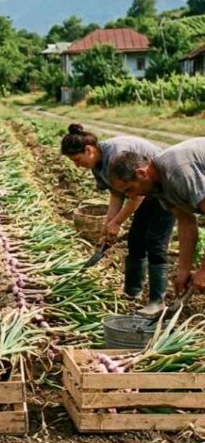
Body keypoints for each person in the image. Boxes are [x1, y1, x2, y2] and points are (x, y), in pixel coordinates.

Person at [60, 125, 174, 315]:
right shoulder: (98, 164)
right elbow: (117, 194)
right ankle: (132, 293)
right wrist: (108, 227)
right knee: (136, 239)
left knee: (155, 242)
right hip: (143, 192)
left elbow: (135, 195)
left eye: (77, 160)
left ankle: (157, 301)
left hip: (165, 188)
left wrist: (117, 223)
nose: (76, 165)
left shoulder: (116, 156)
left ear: (88, 150)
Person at [108, 138, 205, 295]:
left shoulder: (177, 172)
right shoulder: (159, 186)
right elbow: (186, 221)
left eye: (129, 189)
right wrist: (183, 270)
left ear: (141, 174)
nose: (131, 196)